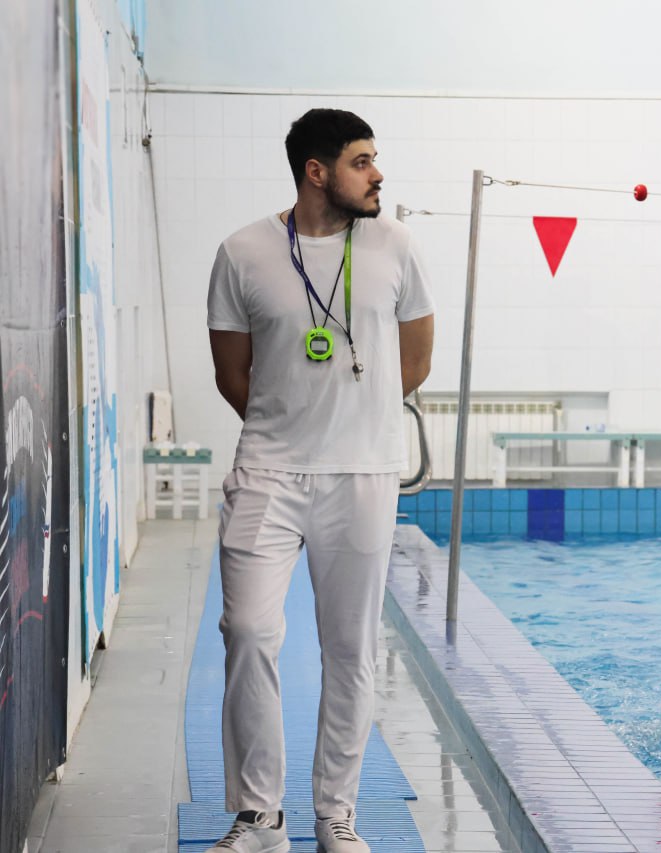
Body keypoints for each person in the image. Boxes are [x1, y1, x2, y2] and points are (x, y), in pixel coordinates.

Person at [205, 108, 435, 853]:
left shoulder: (396, 244)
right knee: (246, 631)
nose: (377, 174)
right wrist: (296, 425)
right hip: (269, 470)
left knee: (350, 648)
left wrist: (354, 422)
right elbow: (232, 374)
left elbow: (417, 359)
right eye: (362, 161)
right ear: (317, 171)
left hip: (364, 475)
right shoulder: (242, 252)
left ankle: (335, 814)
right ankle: (259, 817)